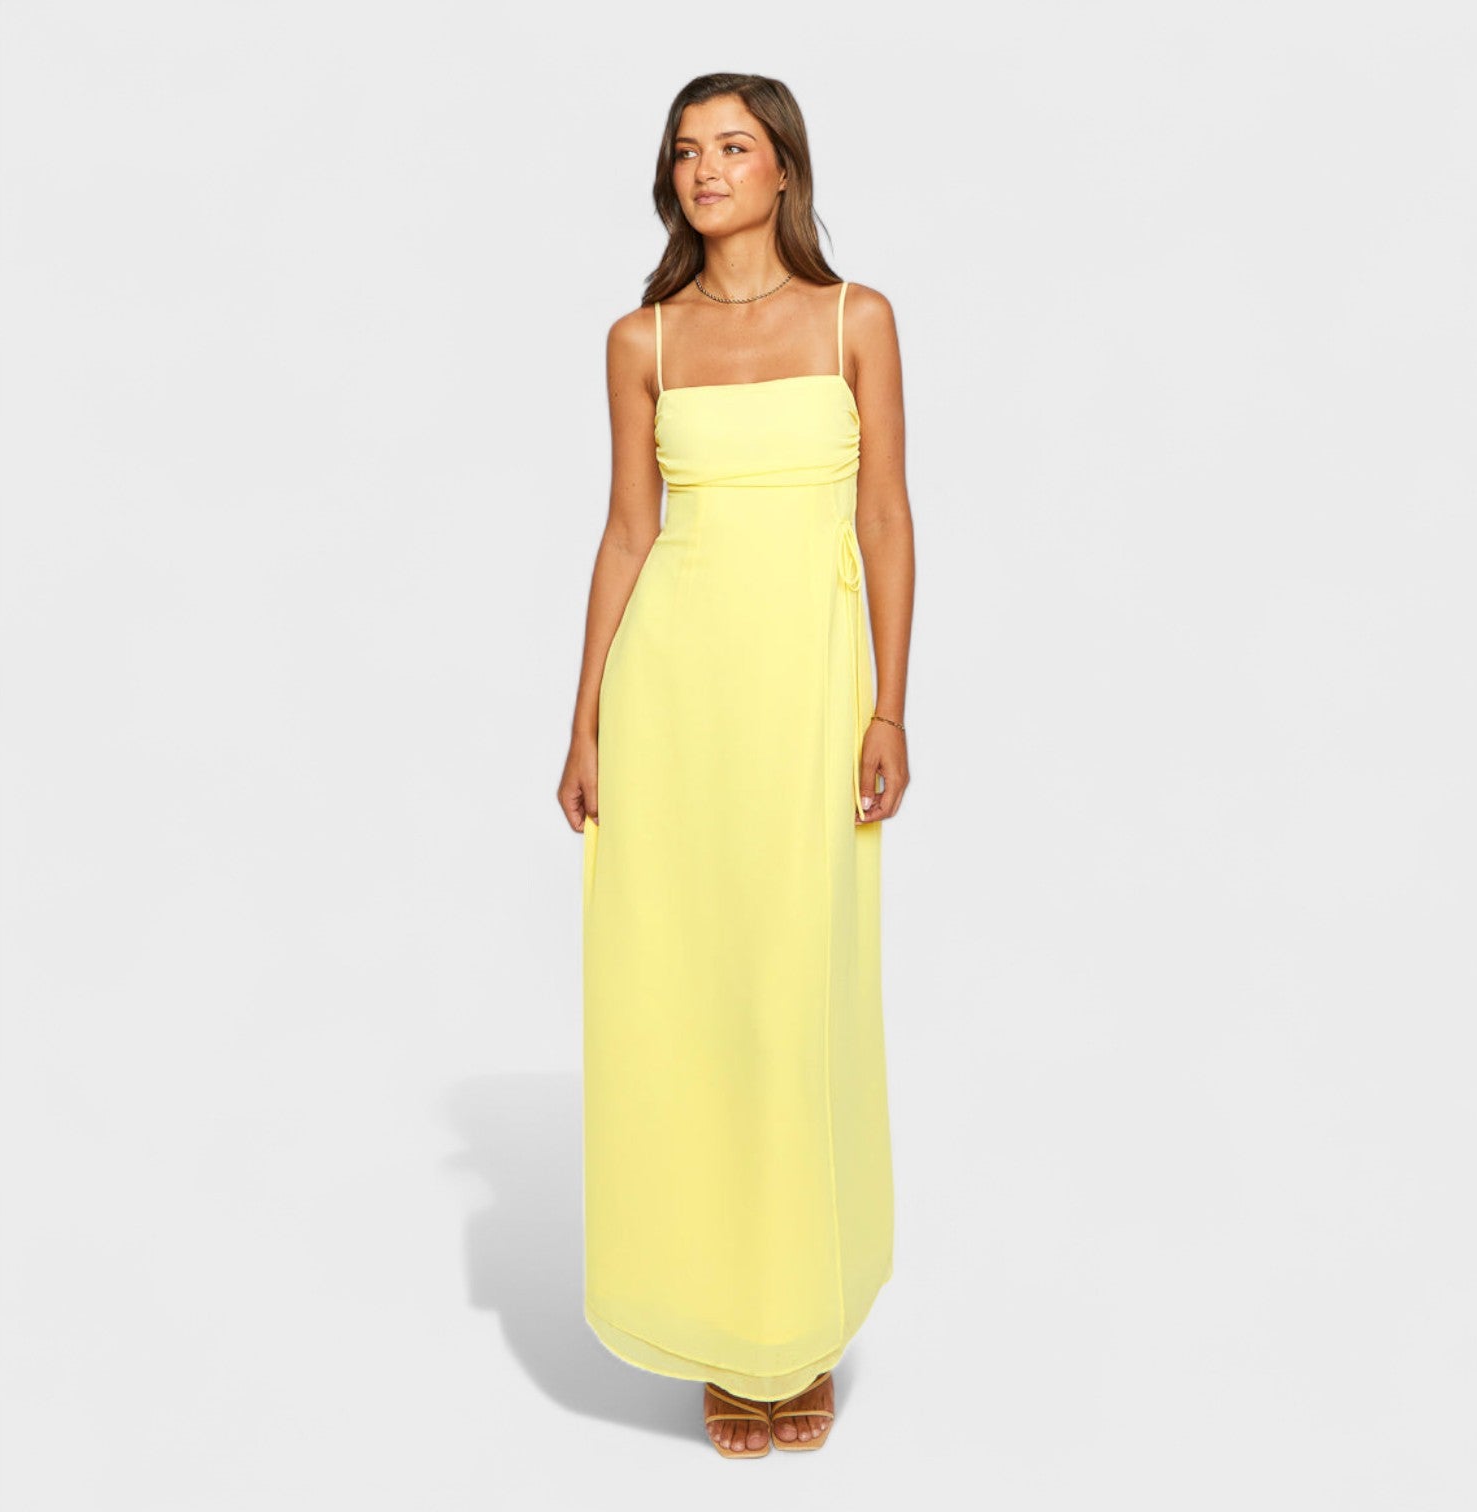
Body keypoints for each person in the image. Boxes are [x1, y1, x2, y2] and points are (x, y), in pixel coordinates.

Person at [558, 71, 916, 1459]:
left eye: (733, 146)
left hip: (809, 696)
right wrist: (585, 720)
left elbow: (885, 516)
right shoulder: (640, 339)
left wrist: (890, 707)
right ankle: (721, 1328)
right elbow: (626, 533)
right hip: (676, 698)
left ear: (783, 169)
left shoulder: (856, 318)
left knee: (793, 991)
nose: (705, 168)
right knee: (688, 995)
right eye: (685, 151)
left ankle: (794, 1323)